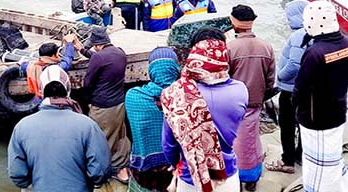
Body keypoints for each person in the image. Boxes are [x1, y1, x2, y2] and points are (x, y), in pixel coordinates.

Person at [162, 38, 248, 192]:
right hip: (227, 176)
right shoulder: (241, 90)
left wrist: (176, 164)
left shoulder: (175, 94)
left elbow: (169, 145)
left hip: (190, 178)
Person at [8, 65, 111, 191]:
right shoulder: (88, 125)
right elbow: (100, 172)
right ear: (68, 89)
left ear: (41, 91)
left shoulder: (21, 127)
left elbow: (17, 174)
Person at [293, 0, 348, 192]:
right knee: (332, 155)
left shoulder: (315, 52)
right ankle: (342, 186)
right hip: (338, 108)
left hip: (316, 117)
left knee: (317, 164)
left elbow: (301, 87)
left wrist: (294, 105)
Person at [226, 5, 275, 191]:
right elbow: (270, 79)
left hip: (233, 103)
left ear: (234, 22)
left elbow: (224, 77)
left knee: (234, 141)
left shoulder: (230, 47)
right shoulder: (267, 46)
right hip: (255, 101)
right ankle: (252, 177)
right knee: (252, 139)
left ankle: (235, 176)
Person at [76, 27, 131, 184]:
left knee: (99, 138)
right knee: (120, 136)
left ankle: (100, 173)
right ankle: (123, 170)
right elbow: (100, 59)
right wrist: (82, 49)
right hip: (119, 103)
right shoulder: (120, 52)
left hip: (102, 106)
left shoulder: (98, 57)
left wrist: (86, 100)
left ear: (96, 44)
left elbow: (88, 83)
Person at [124, 47, 180, 191]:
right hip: (178, 172)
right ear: (175, 68)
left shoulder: (133, 97)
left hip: (144, 173)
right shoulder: (188, 98)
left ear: (151, 70)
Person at [265, 0, 309, 174]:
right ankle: (301, 155)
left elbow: (294, 65)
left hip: (291, 90)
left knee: (288, 126)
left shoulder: (299, 36)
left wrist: (280, 77)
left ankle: (288, 161)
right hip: (307, 89)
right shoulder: (313, 33)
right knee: (304, 125)